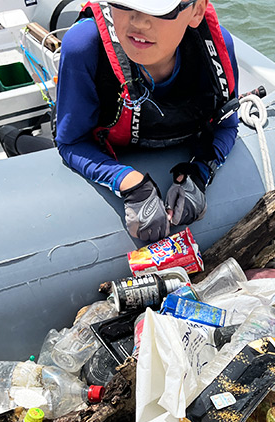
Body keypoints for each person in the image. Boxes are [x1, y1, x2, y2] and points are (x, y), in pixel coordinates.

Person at [55, 0, 239, 242]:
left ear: (196, 11)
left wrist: (200, 172)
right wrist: (129, 183)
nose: (139, 21)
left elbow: (227, 125)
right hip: (104, 146)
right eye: (125, 2)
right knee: (17, 139)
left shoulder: (214, 48)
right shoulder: (84, 46)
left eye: (161, 8)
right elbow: (71, 142)